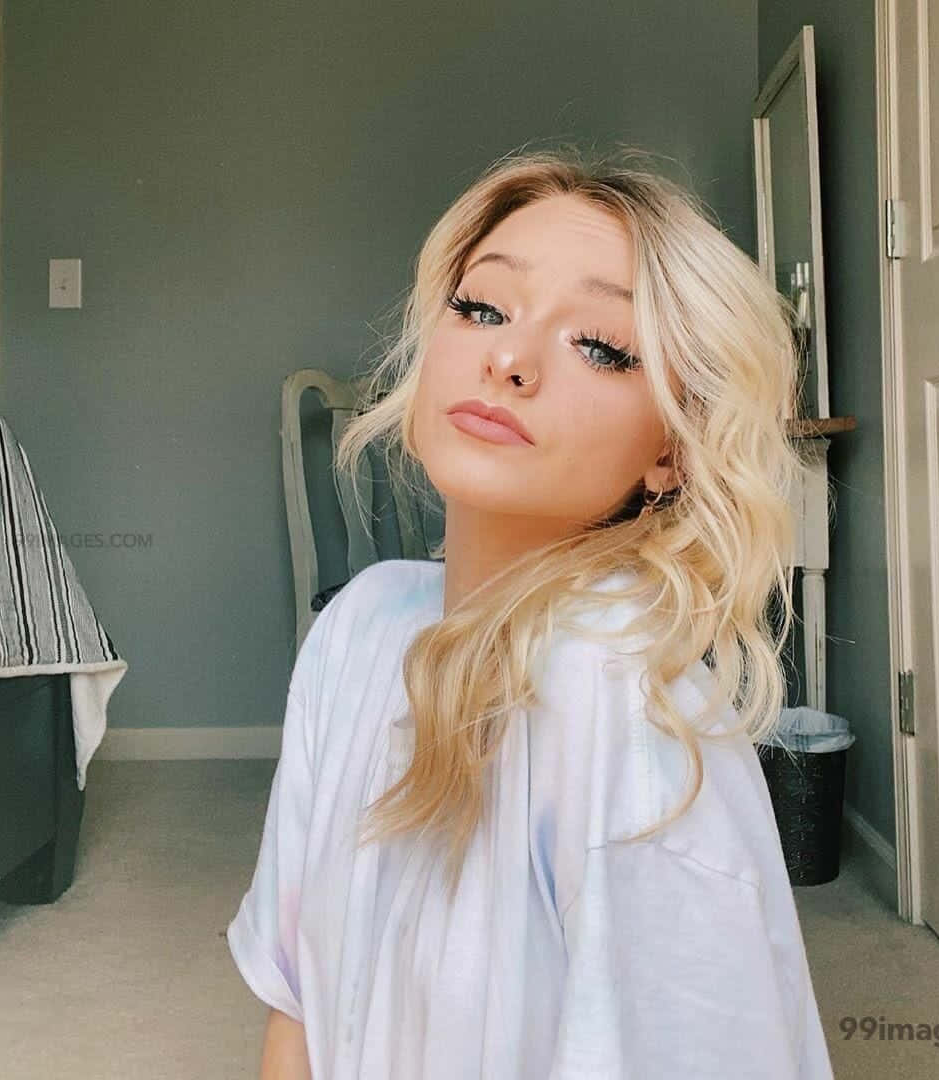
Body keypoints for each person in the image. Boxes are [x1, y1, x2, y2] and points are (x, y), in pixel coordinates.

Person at [227, 145, 834, 1079]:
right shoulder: (362, 625)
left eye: (600, 345)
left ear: (671, 450)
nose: (507, 357)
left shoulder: (635, 717)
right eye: (482, 307)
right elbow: (294, 1009)